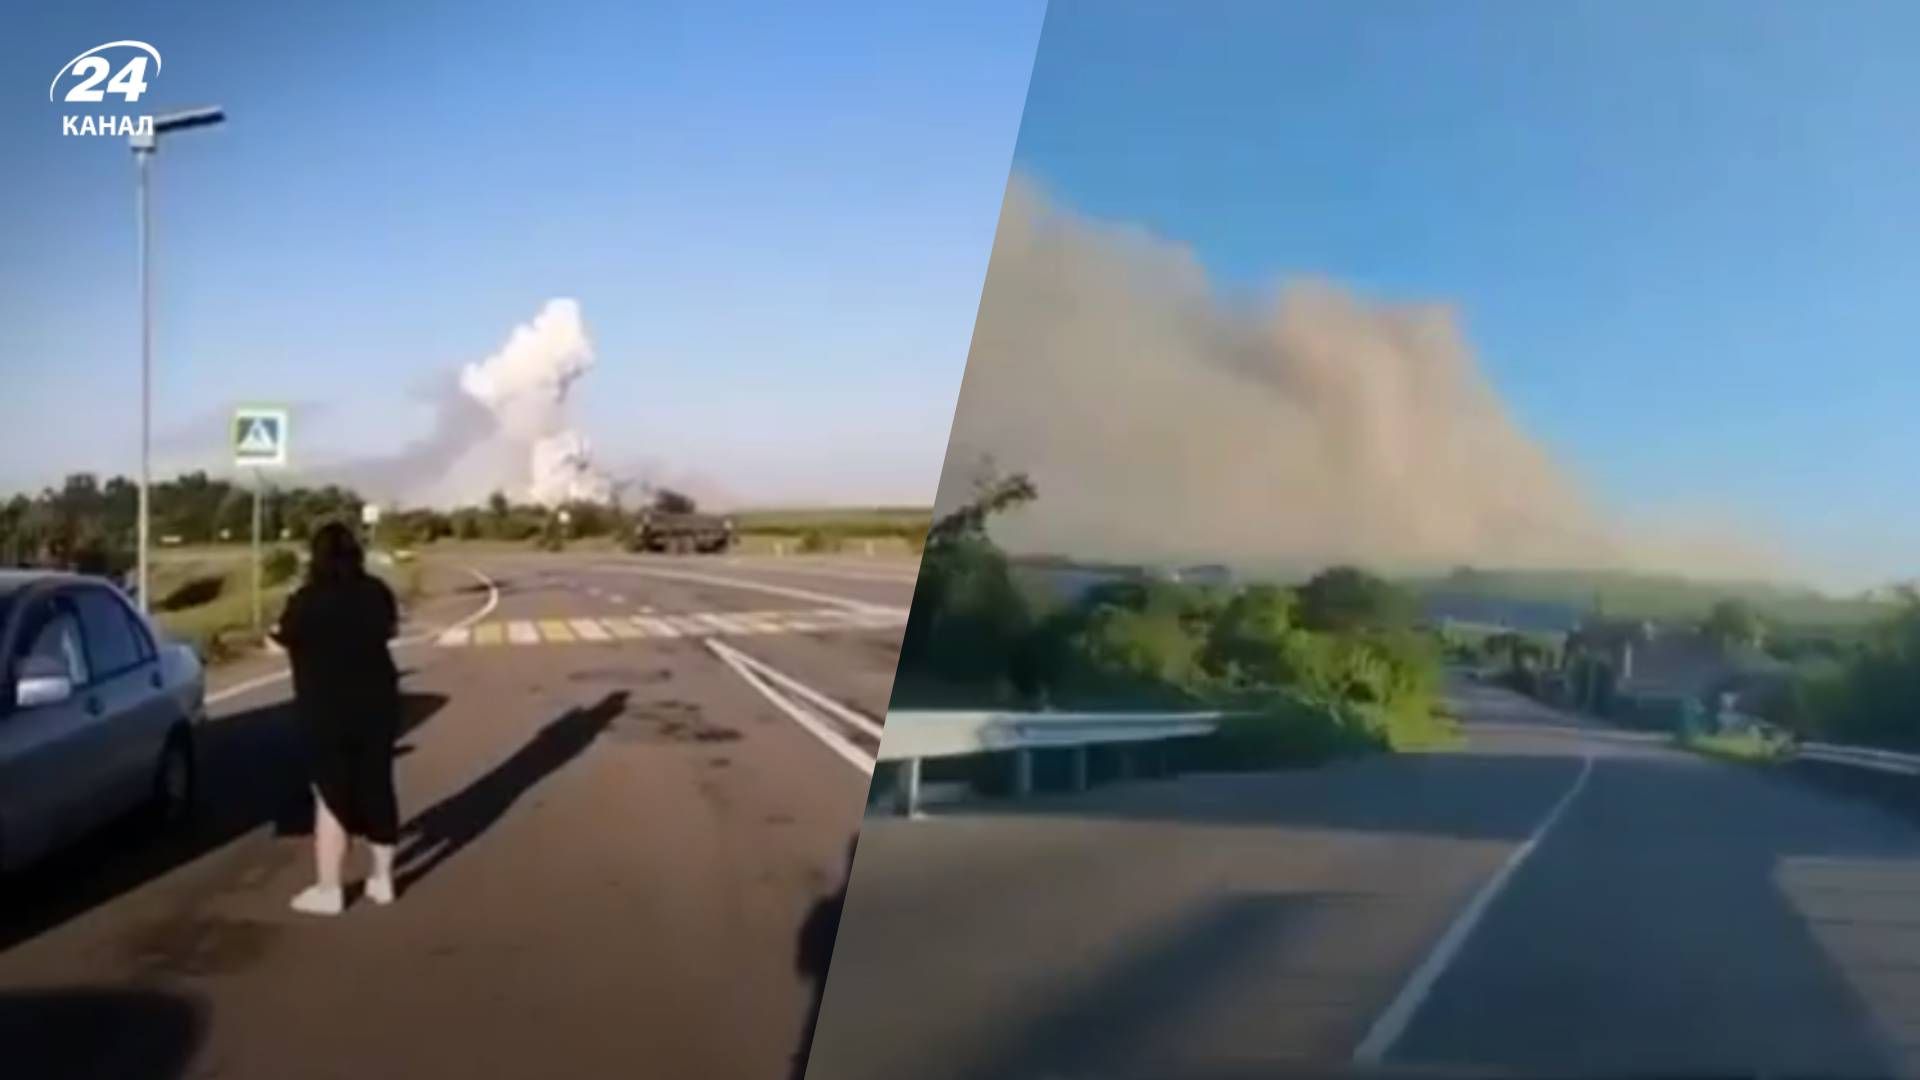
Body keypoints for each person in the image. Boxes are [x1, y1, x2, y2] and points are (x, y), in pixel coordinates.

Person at [271, 521, 403, 916]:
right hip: (377, 704)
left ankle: (330, 889)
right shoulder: (377, 593)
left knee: (330, 795)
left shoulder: (306, 600)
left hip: (326, 710)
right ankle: (383, 881)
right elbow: (390, 630)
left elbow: (278, 640)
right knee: (378, 785)